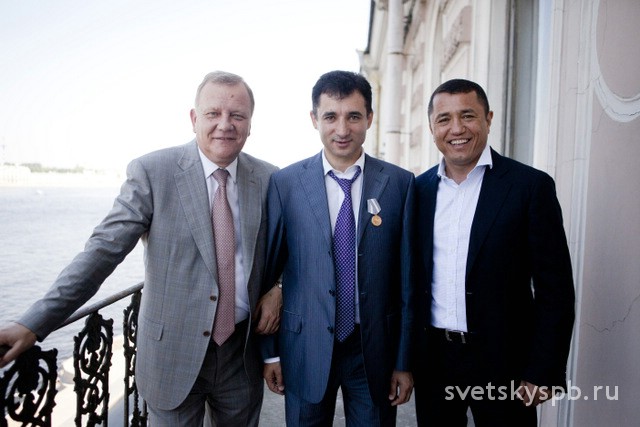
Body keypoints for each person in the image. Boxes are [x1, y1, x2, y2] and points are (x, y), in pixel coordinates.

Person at [0, 71, 281, 426]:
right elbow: (103, 251)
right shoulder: (153, 171)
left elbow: (295, 252)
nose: (225, 124)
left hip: (241, 356)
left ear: (250, 124)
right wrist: (33, 323)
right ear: (194, 119)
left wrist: (279, 287)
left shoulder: (271, 179)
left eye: (237, 115)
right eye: (213, 113)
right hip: (171, 356)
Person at [413, 78, 575, 426]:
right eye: (444, 119)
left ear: (488, 118)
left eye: (468, 116)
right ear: (432, 128)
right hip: (435, 361)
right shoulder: (418, 191)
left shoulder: (529, 187)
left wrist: (543, 370)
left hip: (505, 362)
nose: (457, 129)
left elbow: (555, 288)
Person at [261, 70, 415, 426]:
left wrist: (404, 361)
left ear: (370, 118)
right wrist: (270, 355)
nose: (342, 129)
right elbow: (268, 273)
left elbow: (408, 280)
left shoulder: (400, 184)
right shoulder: (286, 184)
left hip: (373, 350)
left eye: (354, 116)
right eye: (330, 116)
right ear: (314, 119)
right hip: (305, 347)